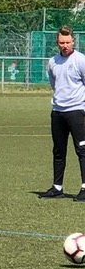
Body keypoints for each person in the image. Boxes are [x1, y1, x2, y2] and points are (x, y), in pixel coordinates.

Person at [39, 25, 85, 201]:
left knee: (82, 150)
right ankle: (57, 187)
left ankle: (84, 187)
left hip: (76, 111)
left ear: (73, 41)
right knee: (58, 150)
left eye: (67, 42)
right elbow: (54, 84)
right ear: (57, 43)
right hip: (58, 112)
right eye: (61, 42)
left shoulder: (81, 60)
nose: (65, 45)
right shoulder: (53, 62)